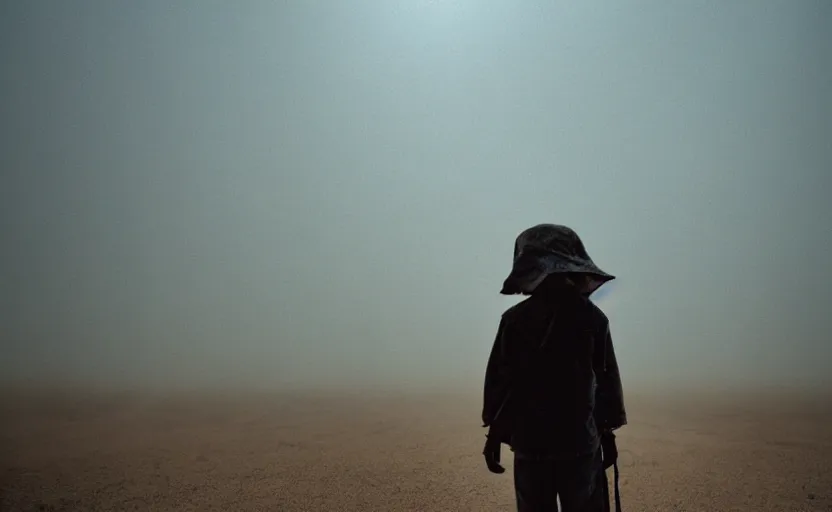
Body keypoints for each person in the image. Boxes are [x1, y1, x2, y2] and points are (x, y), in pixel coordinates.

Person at [481, 224, 627, 512]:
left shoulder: (514, 320)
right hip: (580, 445)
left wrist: (495, 435)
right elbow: (606, 383)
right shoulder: (594, 319)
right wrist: (607, 435)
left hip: (531, 444)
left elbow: (500, 384)